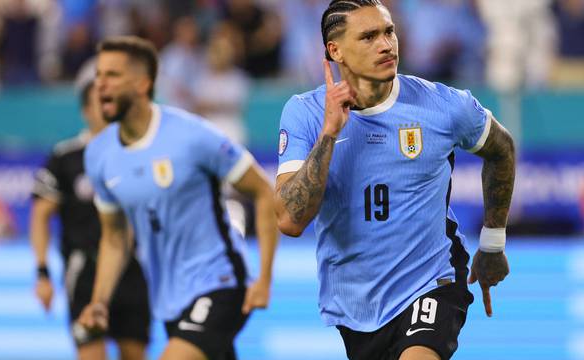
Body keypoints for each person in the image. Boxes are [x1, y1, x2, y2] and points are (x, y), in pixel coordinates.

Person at [274, 1, 516, 360]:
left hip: (432, 282)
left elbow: (502, 149)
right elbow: (289, 221)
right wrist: (329, 134)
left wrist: (494, 241)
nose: (386, 45)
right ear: (335, 50)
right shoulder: (306, 114)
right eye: (369, 36)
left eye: (389, 32)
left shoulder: (443, 106)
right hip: (356, 304)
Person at [78, 36, 278, 360]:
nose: (100, 84)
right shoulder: (99, 155)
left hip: (220, 281)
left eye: (112, 75)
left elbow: (263, 190)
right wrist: (99, 302)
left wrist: (265, 277)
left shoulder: (192, 135)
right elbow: (114, 237)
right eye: (98, 75)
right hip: (169, 299)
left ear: (143, 84)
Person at [30, 77, 150, 359]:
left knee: (134, 352)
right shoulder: (66, 157)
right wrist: (42, 273)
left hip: (131, 270)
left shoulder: (136, 154)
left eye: (113, 102)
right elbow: (40, 215)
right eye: (101, 103)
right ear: (86, 110)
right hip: (84, 271)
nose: (108, 109)